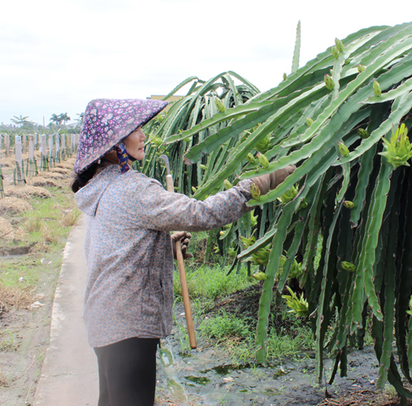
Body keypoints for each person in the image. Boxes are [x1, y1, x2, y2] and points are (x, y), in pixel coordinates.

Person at [71, 98, 294, 406]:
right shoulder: (132, 189)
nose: (143, 136)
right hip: (128, 325)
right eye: (135, 130)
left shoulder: (101, 188)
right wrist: (259, 184)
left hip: (104, 318)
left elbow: (117, 246)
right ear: (113, 144)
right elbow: (202, 213)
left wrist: (165, 241)